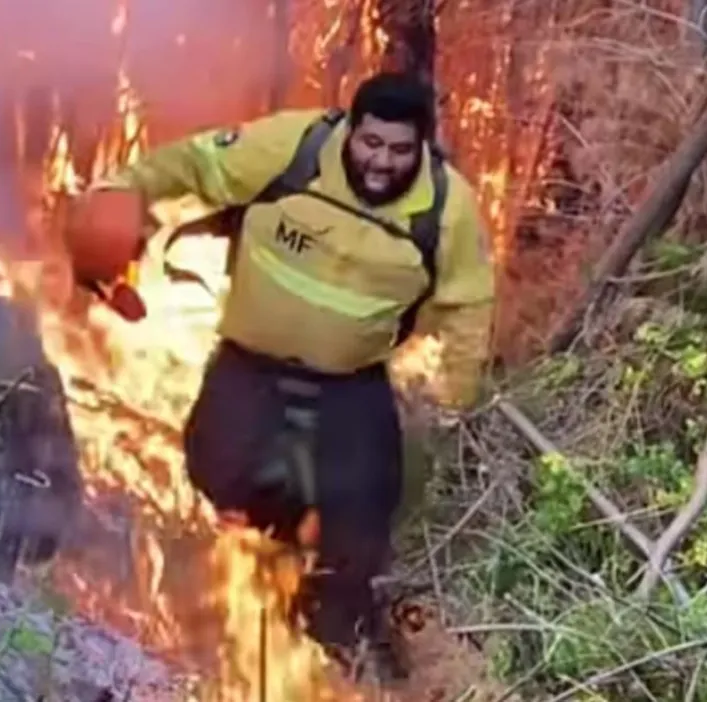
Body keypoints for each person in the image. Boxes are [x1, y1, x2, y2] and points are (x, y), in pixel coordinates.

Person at [66, 71, 495, 677]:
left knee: (365, 512)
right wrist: (125, 189)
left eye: (400, 150)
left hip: (353, 380)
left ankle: (335, 641)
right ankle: (278, 536)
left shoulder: (448, 209)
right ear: (351, 129)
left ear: (422, 145)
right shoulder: (292, 148)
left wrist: (455, 400)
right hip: (251, 362)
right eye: (371, 143)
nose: (381, 162)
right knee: (215, 469)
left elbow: (467, 307)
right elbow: (194, 164)